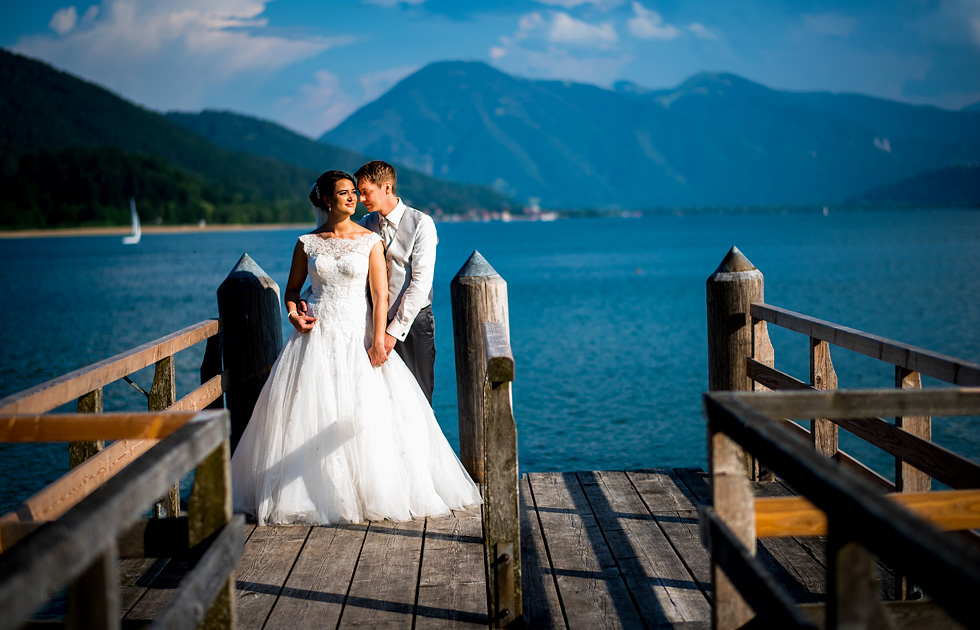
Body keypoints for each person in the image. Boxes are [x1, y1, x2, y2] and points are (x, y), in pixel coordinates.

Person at [230, 170, 481, 526]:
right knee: (309, 410)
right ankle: (310, 495)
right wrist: (293, 314)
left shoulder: (371, 239)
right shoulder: (306, 243)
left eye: (356, 193)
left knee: (374, 411)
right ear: (327, 200)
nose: (354, 198)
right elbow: (291, 291)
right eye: (346, 193)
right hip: (315, 335)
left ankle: (373, 490)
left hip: (359, 333)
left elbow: (380, 297)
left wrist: (380, 339)